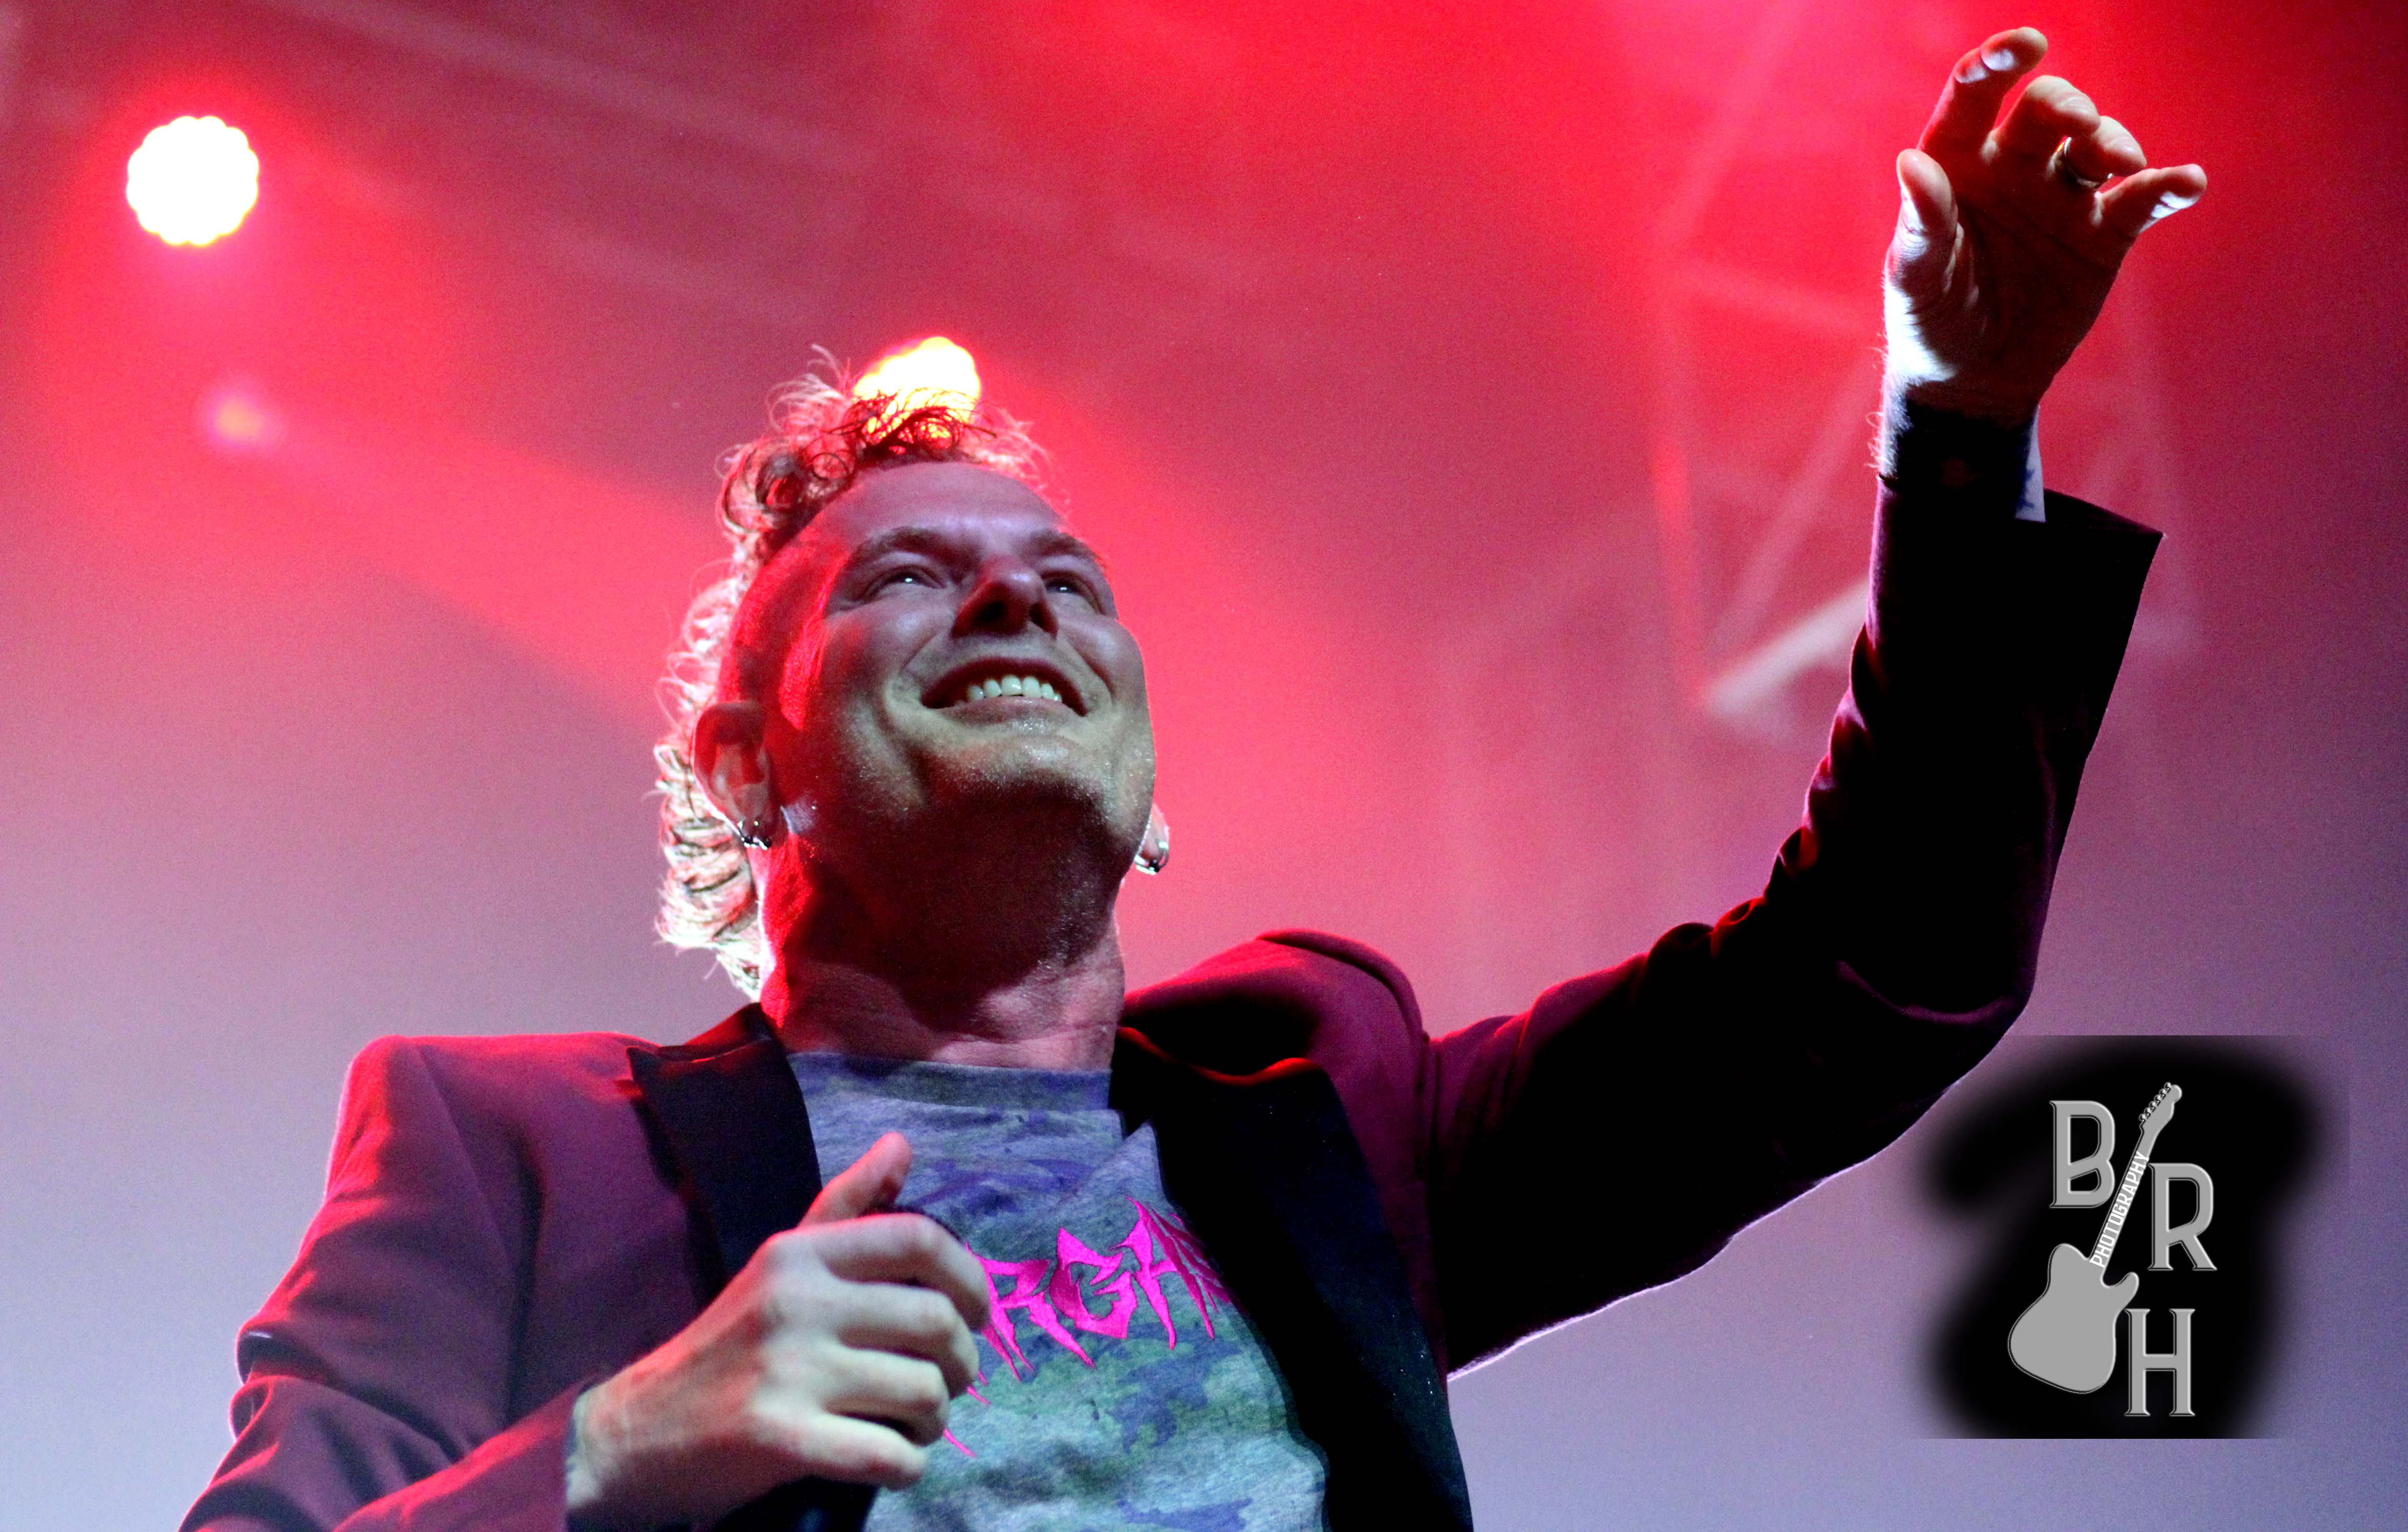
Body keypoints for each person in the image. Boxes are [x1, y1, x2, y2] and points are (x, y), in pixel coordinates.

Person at [183, 28, 2201, 1532]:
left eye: (1070, 583)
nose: (1015, 598)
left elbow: (1885, 977)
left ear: (1146, 798)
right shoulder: (510, 1149)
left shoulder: (1328, 1114)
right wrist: (625, 1446)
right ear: (747, 767)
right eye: (907, 578)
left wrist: (1959, 428)